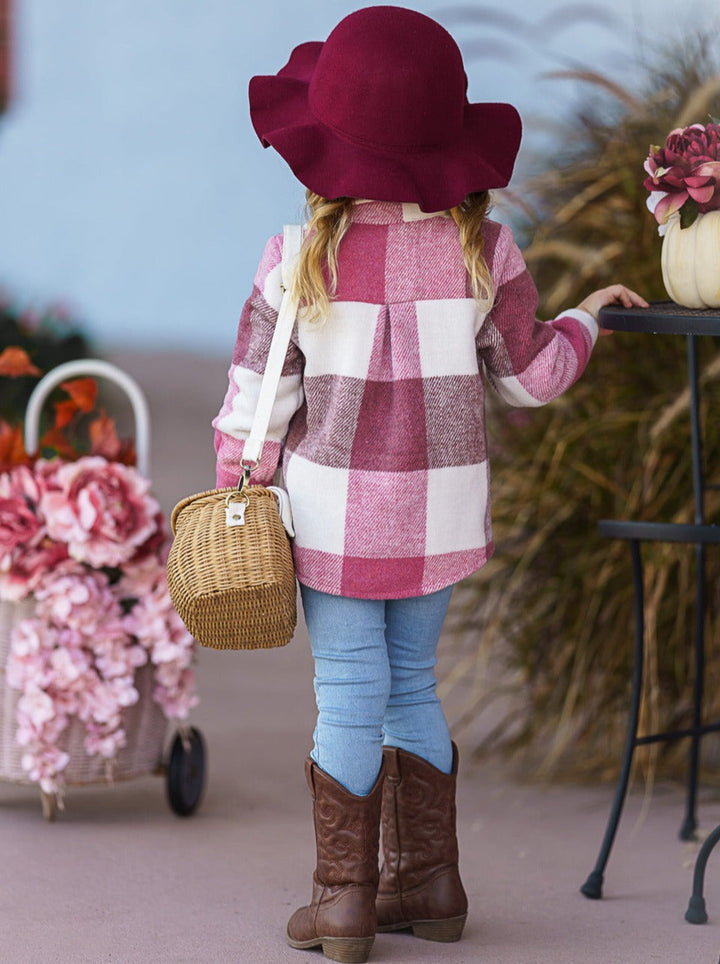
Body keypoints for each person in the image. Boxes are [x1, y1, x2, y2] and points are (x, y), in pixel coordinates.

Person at [213, 7, 648, 962]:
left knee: (348, 689)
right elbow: (531, 379)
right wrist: (585, 320)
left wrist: (236, 495)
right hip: (442, 516)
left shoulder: (297, 258)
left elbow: (255, 405)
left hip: (333, 519)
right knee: (411, 681)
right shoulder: (485, 252)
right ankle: (430, 883)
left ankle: (343, 900)